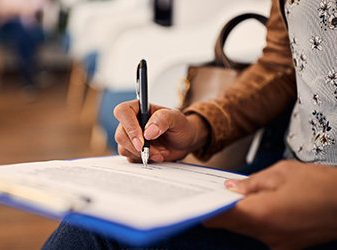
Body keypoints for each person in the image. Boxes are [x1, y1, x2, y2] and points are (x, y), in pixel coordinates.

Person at [43, 0, 337, 249]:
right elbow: (281, 64)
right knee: (94, 229)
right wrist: (199, 125)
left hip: (312, 203)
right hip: (283, 175)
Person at [0, 0, 46, 90]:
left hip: (28, 25)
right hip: (4, 25)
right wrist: (19, 10)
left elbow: (38, 5)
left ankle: (28, 78)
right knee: (23, 33)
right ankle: (30, 76)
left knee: (26, 35)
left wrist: (16, 10)